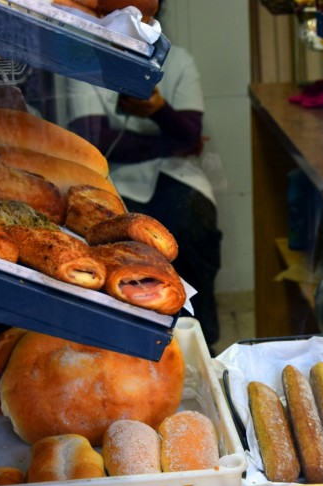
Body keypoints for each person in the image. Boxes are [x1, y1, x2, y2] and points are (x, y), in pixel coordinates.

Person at [64, 3, 222, 344]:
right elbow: (94, 140)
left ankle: (203, 337)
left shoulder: (178, 62)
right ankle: (131, 340)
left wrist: (160, 111)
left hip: (176, 172)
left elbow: (190, 133)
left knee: (193, 228)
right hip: (112, 175)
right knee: (125, 248)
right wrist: (170, 141)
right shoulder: (83, 61)